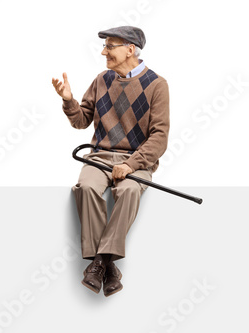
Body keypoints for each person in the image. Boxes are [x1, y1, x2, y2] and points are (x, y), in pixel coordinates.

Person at [52, 26, 169, 296]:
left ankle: (100, 263)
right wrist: (68, 101)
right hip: (99, 157)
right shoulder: (102, 79)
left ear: (130, 49)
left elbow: (160, 137)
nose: (104, 51)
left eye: (110, 46)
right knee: (86, 188)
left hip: (136, 161)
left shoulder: (157, 85)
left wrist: (130, 165)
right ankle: (108, 266)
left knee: (128, 191)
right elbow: (82, 121)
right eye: (105, 46)